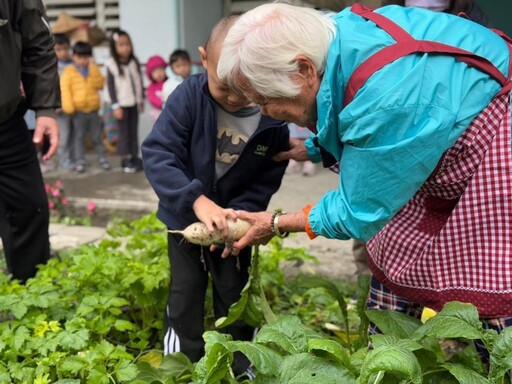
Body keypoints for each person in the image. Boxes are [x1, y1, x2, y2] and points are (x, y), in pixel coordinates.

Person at [217, 2, 512, 359]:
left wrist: (276, 223)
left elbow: (358, 211)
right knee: (395, 250)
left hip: (496, 154)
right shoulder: (339, 34)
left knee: (490, 284)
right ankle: (386, 361)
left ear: (303, 69)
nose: (265, 112)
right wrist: (310, 148)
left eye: (265, 100)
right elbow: (352, 114)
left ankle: (495, 365)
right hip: (437, 116)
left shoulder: (389, 98)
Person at [141, 16, 289, 378]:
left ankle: (240, 362)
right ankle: (182, 363)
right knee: (186, 291)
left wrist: (243, 219)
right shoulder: (189, 97)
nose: (237, 99)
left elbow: (267, 175)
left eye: (247, 87)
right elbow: (159, 154)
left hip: (236, 228)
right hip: (184, 220)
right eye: (226, 87)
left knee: (235, 293)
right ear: (204, 58)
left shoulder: (273, 119)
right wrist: (195, 199)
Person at [0, 0, 60, 282]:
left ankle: (32, 299)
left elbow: (37, 41)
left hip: (5, 121)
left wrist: (45, 108)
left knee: (28, 209)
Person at [60, 41, 110, 173]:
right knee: (78, 138)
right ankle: (79, 161)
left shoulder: (93, 69)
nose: (83, 60)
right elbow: (65, 89)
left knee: (97, 137)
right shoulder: (69, 71)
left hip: (93, 111)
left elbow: (100, 84)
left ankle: (102, 159)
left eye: (86, 57)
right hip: (78, 112)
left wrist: (93, 67)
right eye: (80, 57)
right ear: (74, 56)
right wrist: (69, 107)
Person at [104, 30, 144, 173]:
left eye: (127, 44)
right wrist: (115, 106)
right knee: (124, 133)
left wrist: (141, 100)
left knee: (133, 132)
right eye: (121, 45)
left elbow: (138, 82)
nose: (125, 48)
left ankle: (134, 156)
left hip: (133, 103)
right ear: (114, 47)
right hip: (120, 105)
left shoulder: (134, 62)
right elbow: (110, 87)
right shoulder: (111, 64)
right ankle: (125, 159)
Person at [54, 33, 75, 170]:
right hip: (60, 108)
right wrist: (55, 104)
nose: (63, 52)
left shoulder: (74, 64)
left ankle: (72, 158)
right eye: (59, 49)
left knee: (74, 134)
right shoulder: (52, 67)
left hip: (74, 107)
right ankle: (63, 160)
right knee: (64, 136)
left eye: (66, 49)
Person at [146, 55, 167, 122]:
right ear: (150, 74)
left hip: (170, 113)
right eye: (155, 71)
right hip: (157, 115)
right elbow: (152, 99)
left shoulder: (169, 83)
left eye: (161, 69)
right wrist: (162, 104)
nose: (159, 73)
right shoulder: (151, 87)